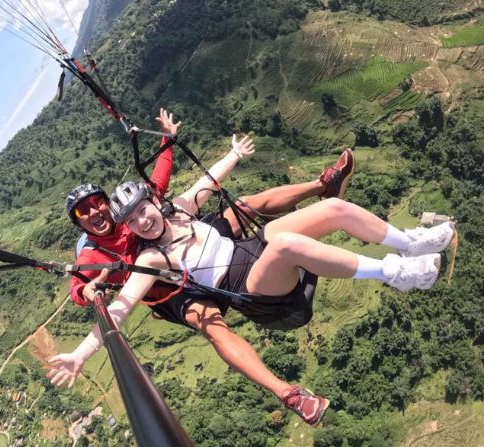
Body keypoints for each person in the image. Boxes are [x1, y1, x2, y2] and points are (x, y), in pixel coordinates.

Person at [52, 134, 454, 426]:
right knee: (283, 247)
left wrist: (232, 154)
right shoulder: (150, 257)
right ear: (130, 227)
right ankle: (392, 273)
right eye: (134, 219)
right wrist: (81, 354)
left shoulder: (178, 210)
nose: (143, 219)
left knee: (332, 208)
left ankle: (409, 243)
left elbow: (206, 185)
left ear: (151, 204)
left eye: (144, 209)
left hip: (251, 250)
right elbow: (120, 308)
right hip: (253, 289)